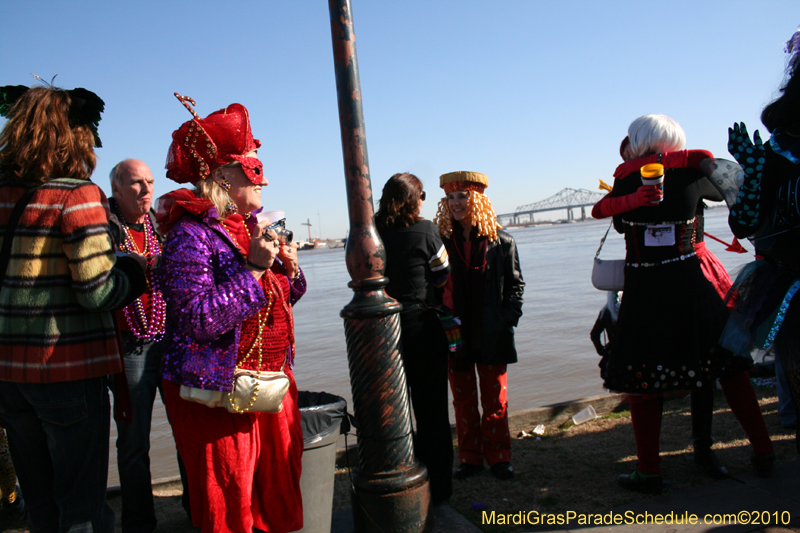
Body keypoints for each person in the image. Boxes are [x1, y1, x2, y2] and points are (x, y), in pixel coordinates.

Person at [591, 114, 774, 494]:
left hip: (646, 289)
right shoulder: (692, 173)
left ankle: (649, 471)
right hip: (695, 283)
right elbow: (726, 189)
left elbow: (607, 213)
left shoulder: (625, 178)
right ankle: (763, 451)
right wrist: (695, 158)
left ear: (638, 141)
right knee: (729, 367)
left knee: (642, 379)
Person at [156, 95, 306, 533]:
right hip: (215, 396)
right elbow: (198, 319)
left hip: (266, 387)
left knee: (275, 492)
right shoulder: (190, 235)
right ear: (221, 175)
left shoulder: (246, 229)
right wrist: (256, 268)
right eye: (253, 168)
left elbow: (270, 308)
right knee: (229, 501)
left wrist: (287, 275)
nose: (264, 178)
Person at [0, 83, 146, 531]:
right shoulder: (76, 195)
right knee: (81, 507)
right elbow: (96, 292)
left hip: (8, 373)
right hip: (66, 368)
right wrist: (134, 274)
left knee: (42, 505)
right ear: (76, 135)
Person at [723, 26, 800, 453]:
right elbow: (744, 224)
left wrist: (753, 172)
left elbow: (744, 223)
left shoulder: (774, 151)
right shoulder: (774, 153)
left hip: (788, 283)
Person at [434, 171, 525, 481]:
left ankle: (500, 456)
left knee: (495, 400)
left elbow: (516, 287)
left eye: (463, 196)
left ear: (478, 199)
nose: (456, 203)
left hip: (492, 332)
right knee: (462, 400)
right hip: (455, 332)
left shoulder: (503, 242)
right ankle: (470, 458)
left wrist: (506, 321)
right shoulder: (442, 243)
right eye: (451, 197)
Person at [375, 172, 453, 503]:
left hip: (381, 329)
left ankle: (398, 471)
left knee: (391, 407)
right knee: (431, 407)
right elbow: (442, 273)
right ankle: (439, 487)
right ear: (413, 199)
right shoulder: (428, 231)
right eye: (421, 196)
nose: (423, 202)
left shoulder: (374, 231)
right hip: (421, 324)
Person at [107, 159, 165, 533]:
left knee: (188, 429)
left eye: (149, 182)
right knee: (133, 443)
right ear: (116, 189)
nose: (146, 191)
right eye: (136, 184)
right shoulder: (103, 228)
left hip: (170, 341)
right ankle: (140, 524)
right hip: (129, 347)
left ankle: (198, 513)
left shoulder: (163, 223)